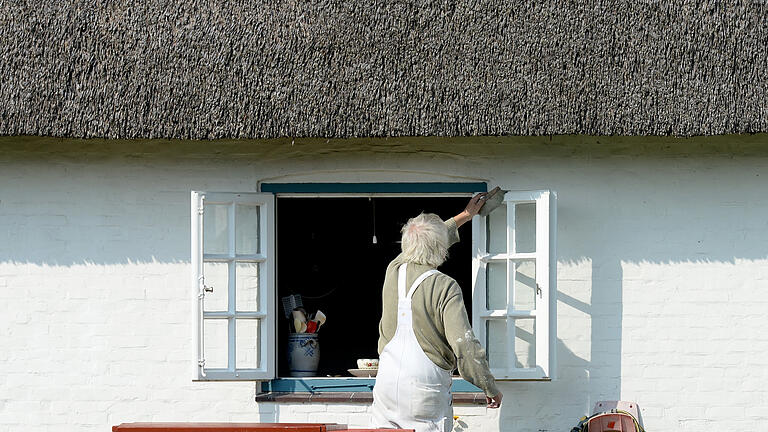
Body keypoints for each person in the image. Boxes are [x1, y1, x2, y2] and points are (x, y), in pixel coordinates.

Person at [371, 192, 503, 432]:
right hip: (425, 390)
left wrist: (464, 215)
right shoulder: (445, 286)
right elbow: (464, 344)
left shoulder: (394, 270)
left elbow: (423, 238)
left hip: (386, 386)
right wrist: (487, 385)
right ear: (441, 248)